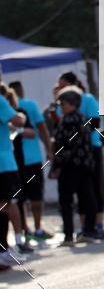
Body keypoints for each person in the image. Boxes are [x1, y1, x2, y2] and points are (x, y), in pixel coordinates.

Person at [56, 73, 104, 239]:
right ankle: (86, 227)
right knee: (83, 193)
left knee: (92, 190)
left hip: (89, 149)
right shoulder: (61, 102)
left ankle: (96, 225)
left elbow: (96, 123)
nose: (59, 88)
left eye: (62, 84)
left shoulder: (86, 100)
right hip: (81, 153)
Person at [50, 87, 98, 246]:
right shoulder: (83, 118)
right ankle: (89, 231)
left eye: (62, 103)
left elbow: (65, 145)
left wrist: (57, 164)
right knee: (88, 197)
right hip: (85, 165)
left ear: (71, 104)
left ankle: (69, 236)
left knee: (66, 201)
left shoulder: (69, 120)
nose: (60, 107)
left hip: (70, 166)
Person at [9, 81, 54, 242]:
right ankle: (36, 228)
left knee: (21, 198)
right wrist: (49, 149)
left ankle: (27, 230)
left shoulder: (21, 108)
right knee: (31, 197)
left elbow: (38, 129)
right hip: (28, 160)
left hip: (16, 162)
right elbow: (41, 129)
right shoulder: (22, 107)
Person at [0, 83, 33, 269]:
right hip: (4, 163)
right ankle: (15, 243)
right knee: (7, 204)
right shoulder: (0, 101)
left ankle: (5, 248)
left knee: (4, 204)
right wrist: (19, 115)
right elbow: (19, 121)